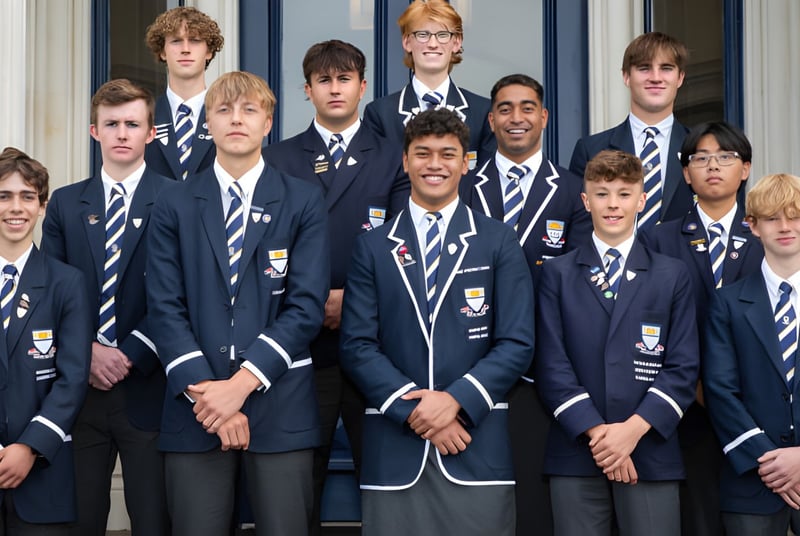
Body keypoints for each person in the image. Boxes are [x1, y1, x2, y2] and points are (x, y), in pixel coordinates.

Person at [147, 71, 329, 536]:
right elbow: (164, 305)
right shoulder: (174, 202)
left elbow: (306, 306)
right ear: (207, 122)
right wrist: (209, 394)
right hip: (196, 410)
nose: (236, 120)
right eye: (224, 110)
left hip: (280, 403)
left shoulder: (304, 200)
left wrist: (241, 385)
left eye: (249, 110)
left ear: (268, 122)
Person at [340, 108, 534, 536]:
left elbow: (517, 341)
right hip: (396, 446)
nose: (434, 164)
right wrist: (417, 411)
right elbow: (356, 345)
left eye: (448, 154)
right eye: (422, 153)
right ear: (404, 161)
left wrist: (456, 403)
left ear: (466, 164)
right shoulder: (373, 247)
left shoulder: (498, 240)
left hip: (474, 442)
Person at [262, 39, 409, 533]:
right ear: (307, 90)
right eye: (324, 80)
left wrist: (353, 300)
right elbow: (266, 241)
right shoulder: (278, 158)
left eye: (345, 78)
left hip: (376, 338)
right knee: (300, 479)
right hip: (301, 345)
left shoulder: (393, 156)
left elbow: (403, 240)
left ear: (363, 87)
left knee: (386, 476)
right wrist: (312, 300)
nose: (335, 88)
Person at [535, 149, 699, 535]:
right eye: (603, 193)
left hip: (650, 449)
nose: (613, 204)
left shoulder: (671, 274)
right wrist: (599, 434)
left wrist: (631, 432)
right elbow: (551, 363)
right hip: (577, 450)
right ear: (585, 200)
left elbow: (683, 367)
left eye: (624, 194)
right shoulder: (558, 273)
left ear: (642, 200)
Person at [460, 73, 591, 535]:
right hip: (467, 362)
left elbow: (576, 286)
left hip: (543, 367)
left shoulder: (574, 191)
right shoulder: (461, 184)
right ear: (491, 119)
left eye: (528, 107)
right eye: (506, 108)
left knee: (534, 501)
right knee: (475, 498)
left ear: (544, 117)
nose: (517, 118)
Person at [41, 79, 171, 536]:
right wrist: (89, 352)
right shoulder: (64, 203)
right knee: (81, 519)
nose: (121, 133)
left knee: (154, 519)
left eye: (132, 124)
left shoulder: (177, 200)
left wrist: (130, 352)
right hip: (82, 391)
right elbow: (50, 292)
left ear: (150, 133)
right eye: (111, 124)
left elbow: (179, 296)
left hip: (149, 387)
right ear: (94, 131)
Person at [641, 121, 763, 536]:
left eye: (725, 157)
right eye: (701, 158)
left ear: (745, 169)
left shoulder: (767, 236)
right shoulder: (657, 240)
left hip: (758, 407)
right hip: (684, 409)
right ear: (686, 172)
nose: (713, 166)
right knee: (697, 517)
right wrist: (695, 386)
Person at [0, 147, 91, 534]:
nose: (15, 208)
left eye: (27, 196)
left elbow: (71, 379)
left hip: (40, 472)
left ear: (42, 206)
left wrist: (29, 446)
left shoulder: (66, 283)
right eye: (4, 196)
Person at [703, 173, 800, 535]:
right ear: (753, 226)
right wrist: (770, 461)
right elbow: (719, 390)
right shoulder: (727, 302)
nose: (785, 226)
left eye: (794, 215)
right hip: (752, 480)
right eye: (772, 218)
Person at [569, 32, 693, 230]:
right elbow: (580, 224)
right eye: (644, 68)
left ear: (680, 78)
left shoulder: (699, 149)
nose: (655, 77)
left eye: (666, 68)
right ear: (626, 76)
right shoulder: (590, 149)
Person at [363, 0, 494, 171]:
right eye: (423, 34)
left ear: (456, 43)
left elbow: (487, 182)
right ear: (407, 42)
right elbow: (376, 181)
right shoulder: (380, 114)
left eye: (442, 34)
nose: (433, 44)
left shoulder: (483, 111)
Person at [144, 6, 224, 181]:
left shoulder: (228, 116)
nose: (185, 49)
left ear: (209, 51)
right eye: (176, 41)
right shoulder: (143, 117)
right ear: (163, 52)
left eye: (195, 40)